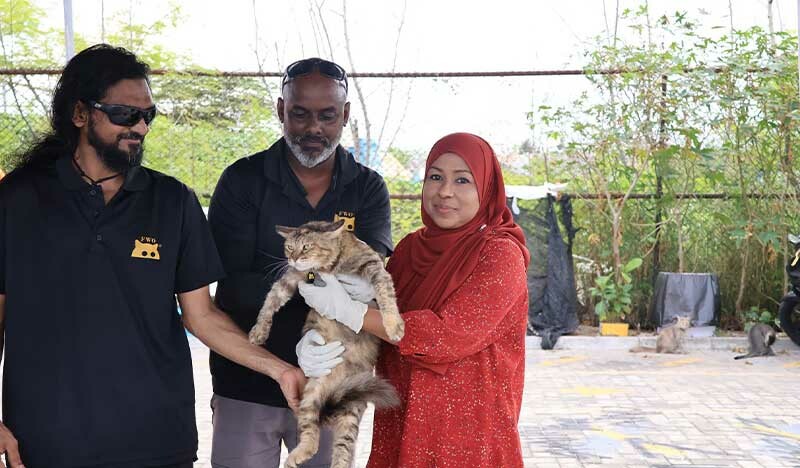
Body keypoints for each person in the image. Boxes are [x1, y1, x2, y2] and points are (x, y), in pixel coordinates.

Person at [0, 44, 306, 468]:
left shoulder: (172, 201)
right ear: (80, 113)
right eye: (125, 114)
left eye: (148, 115)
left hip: (157, 440)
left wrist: (280, 369)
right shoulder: (17, 199)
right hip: (47, 440)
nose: (140, 127)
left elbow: (201, 315)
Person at [298, 132, 531, 467]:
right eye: (435, 177)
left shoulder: (499, 254)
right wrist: (322, 341)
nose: (445, 191)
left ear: (487, 188)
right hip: (402, 427)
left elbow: (446, 336)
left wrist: (351, 311)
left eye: (462, 180)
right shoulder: (409, 250)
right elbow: (378, 323)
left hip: (469, 436)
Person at [207, 57, 392, 468]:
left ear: (345, 114)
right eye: (300, 114)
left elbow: (365, 281)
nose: (313, 128)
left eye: (327, 115)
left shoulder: (367, 188)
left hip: (331, 382)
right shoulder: (242, 181)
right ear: (280, 110)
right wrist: (324, 286)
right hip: (247, 381)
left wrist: (299, 288)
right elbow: (235, 286)